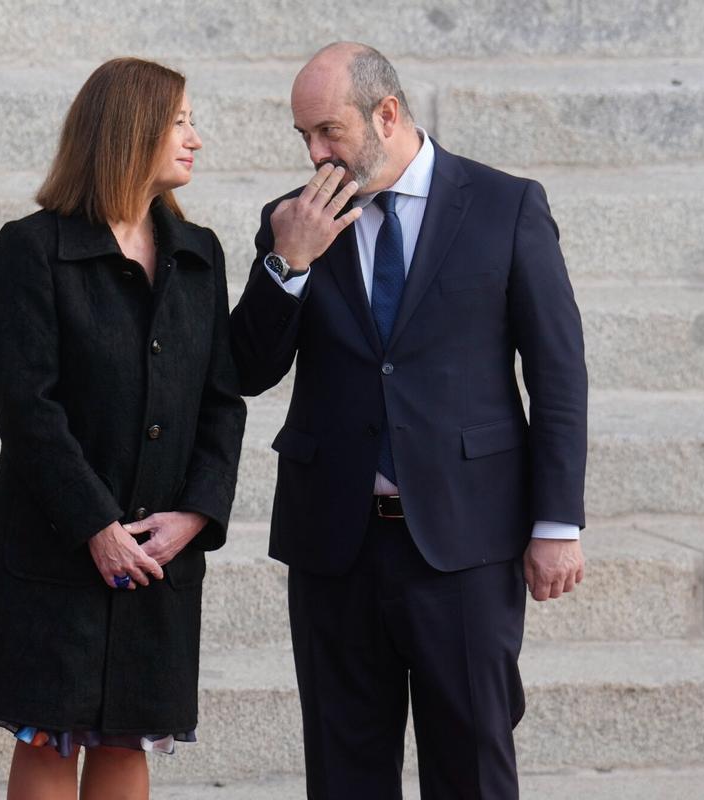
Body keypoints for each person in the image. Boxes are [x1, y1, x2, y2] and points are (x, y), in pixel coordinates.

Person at [229, 42, 588, 799]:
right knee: (344, 772)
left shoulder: (506, 205)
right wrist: (287, 264)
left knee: (473, 767)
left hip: (466, 542)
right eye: (304, 137)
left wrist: (557, 522)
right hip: (335, 543)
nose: (316, 153)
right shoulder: (294, 220)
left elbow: (556, 373)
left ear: (386, 114)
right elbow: (245, 369)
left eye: (328, 131)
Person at [0, 57, 246, 800]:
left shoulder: (199, 254)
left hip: (160, 554)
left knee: (128, 738)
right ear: (133, 130)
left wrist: (195, 512)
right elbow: (27, 408)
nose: (196, 138)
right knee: (51, 740)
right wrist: (96, 524)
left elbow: (223, 400)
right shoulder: (32, 249)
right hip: (57, 550)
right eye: (181, 121)